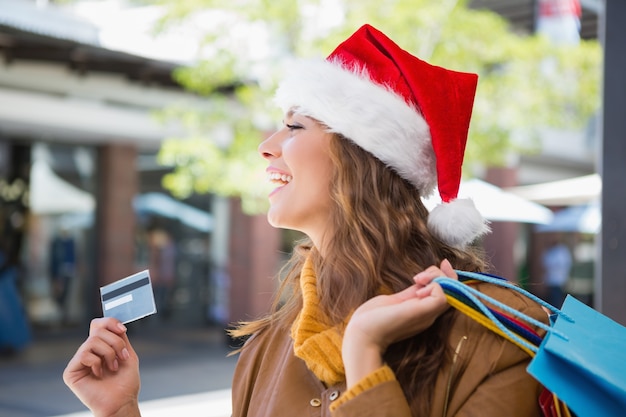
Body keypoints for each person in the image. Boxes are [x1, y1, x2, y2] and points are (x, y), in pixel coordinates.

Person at [63, 24, 549, 417]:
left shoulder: (497, 332)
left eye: (295, 125)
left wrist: (364, 353)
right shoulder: (266, 346)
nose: (266, 145)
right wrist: (120, 409)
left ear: (363, 156)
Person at [542, 237, 572, 307]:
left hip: (558, 280)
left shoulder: (561, 251)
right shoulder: (550, 251)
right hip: (552, 281)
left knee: (556, 301)